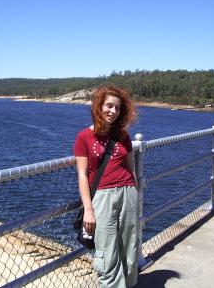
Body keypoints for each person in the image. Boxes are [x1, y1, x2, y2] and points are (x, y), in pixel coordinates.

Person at [74, 86, 139, 287]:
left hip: (128, 192)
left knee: (129, 247)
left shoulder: (123, 135)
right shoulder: (84, 137)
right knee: (106, 252)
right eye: (108, 106)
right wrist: (89, 211)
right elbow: (83, 176)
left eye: (117, 108)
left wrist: (135, 194)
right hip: (101, 197)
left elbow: (131, 168)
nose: (113, 111)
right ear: (98, 107)